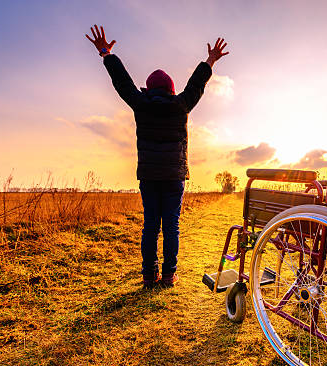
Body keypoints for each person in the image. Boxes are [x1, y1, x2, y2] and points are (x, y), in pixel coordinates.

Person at [85, 25, 229, 289]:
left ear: (149, 89)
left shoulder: (141, 104)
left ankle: (149, 276)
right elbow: (196, 85)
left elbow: (122, 82)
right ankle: (169, 275)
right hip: (174, 176)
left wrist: (106, 53)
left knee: (150, 225)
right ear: (171, 89)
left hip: (149, 176)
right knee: (171, 227)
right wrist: (210, 60)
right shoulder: (181, 105)